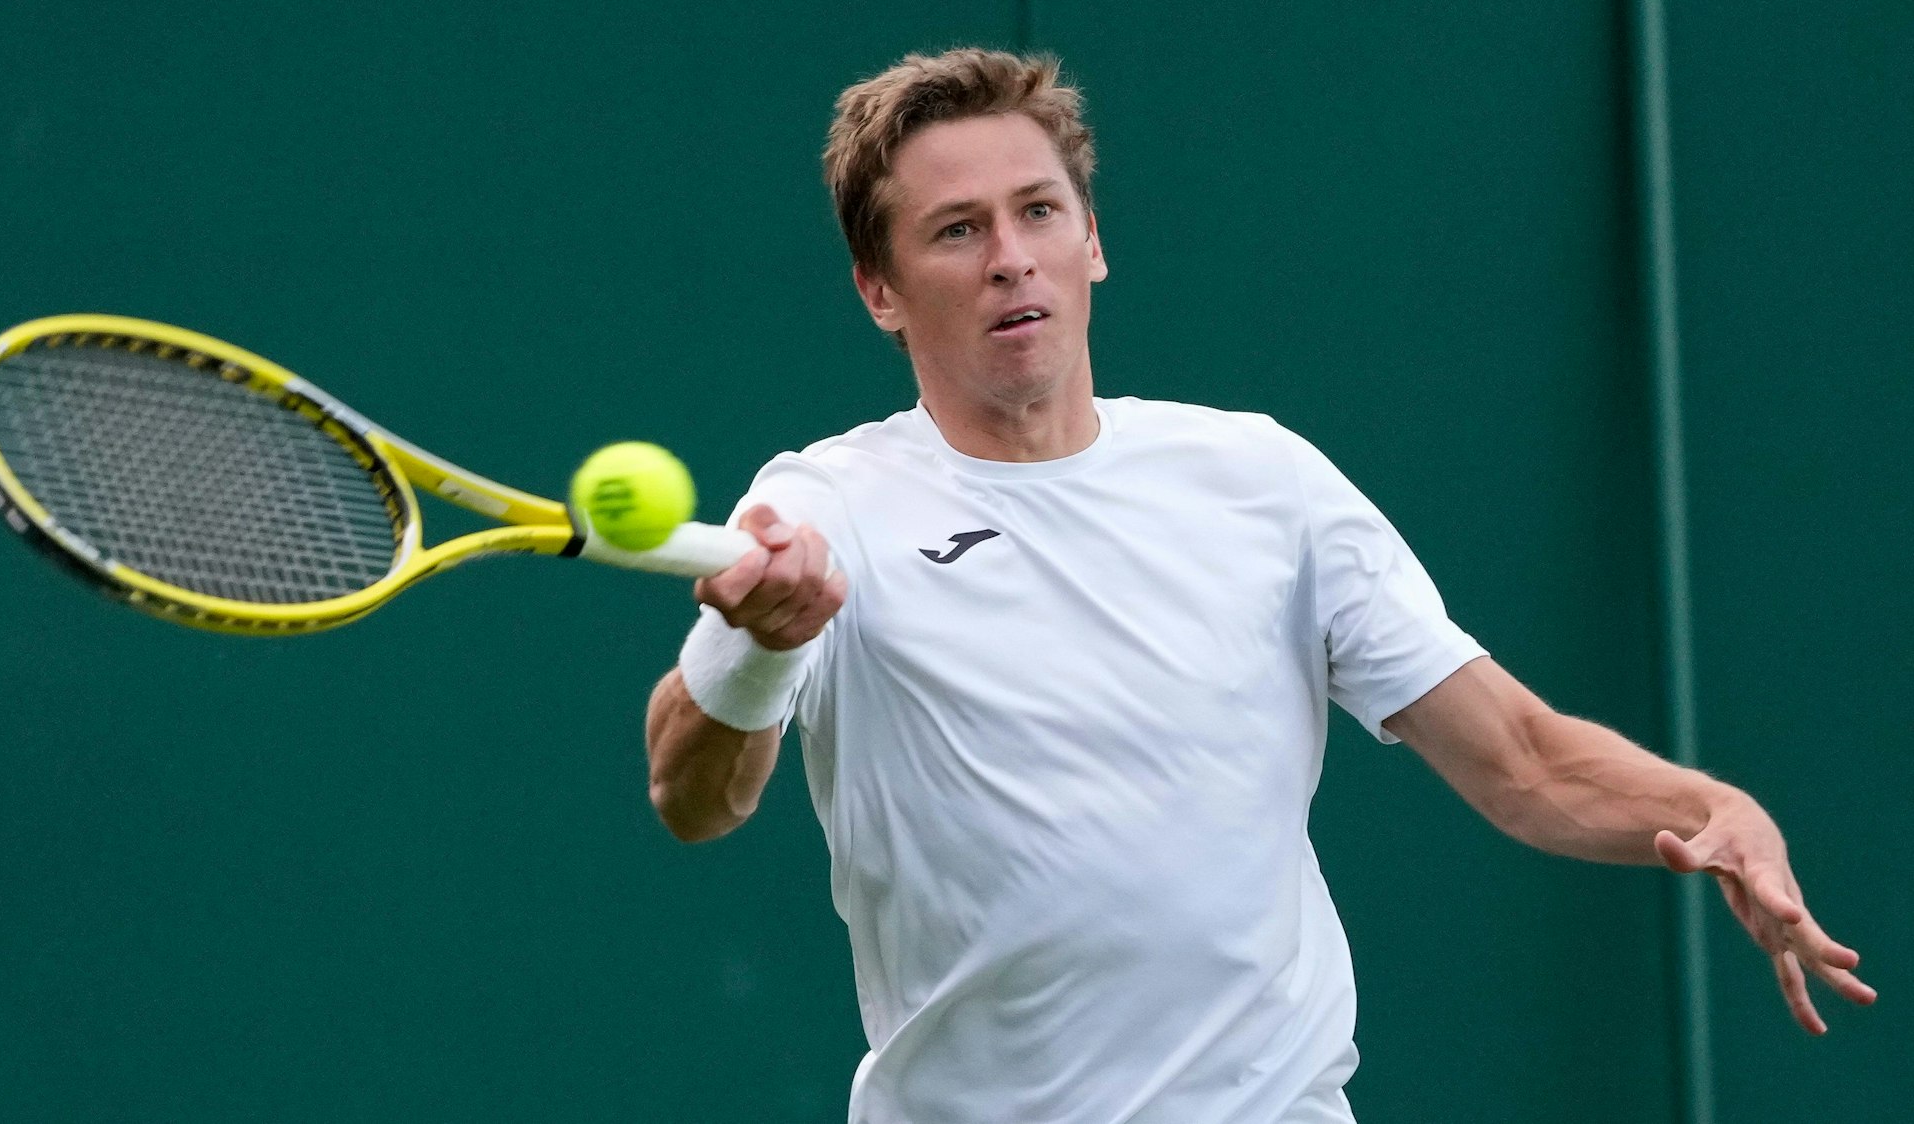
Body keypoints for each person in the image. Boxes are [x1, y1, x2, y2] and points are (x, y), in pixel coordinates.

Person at [643, 48, 1874, 1123]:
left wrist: (1713, 807)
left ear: (1094, 240)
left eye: (1040, 210)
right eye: (958, 229)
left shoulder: (1262, 480)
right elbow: (691, 794)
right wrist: (762, 644)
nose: (1013, 258)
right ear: (880, 289)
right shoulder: (825, 504)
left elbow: (1525, 761)